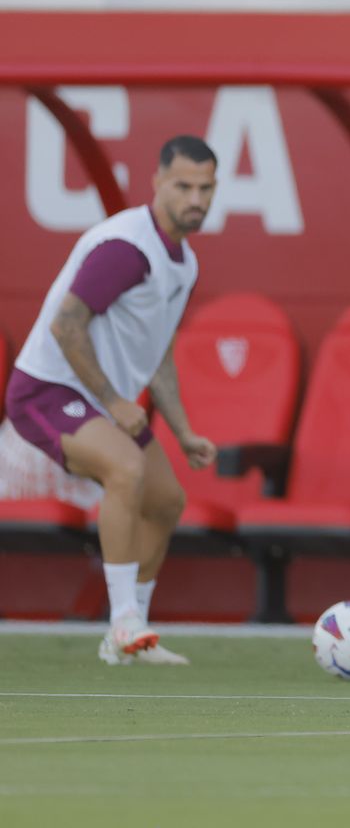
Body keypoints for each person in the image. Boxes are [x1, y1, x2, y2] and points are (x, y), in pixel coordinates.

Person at [3, 136, 219, 666]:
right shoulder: (127, 247)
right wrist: (113, 400)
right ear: (158, 183)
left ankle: (130, 635)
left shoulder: (185, 263)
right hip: (47, 390)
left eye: (207, 188)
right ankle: (123, 622)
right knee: (125, 469)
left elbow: (158, 350)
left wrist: (184, 429)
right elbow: (65, 324)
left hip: (102, 398)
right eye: (184, 186)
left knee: (166, 502)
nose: (196, 198)